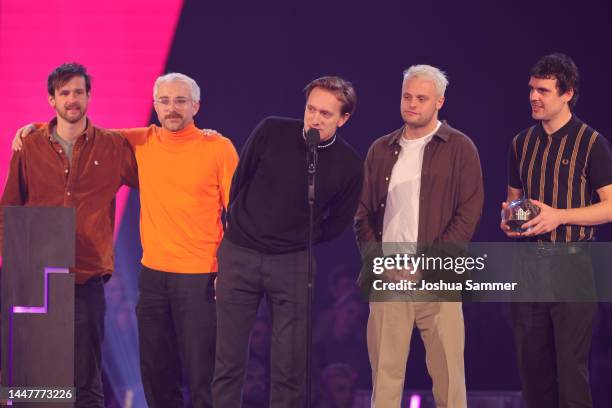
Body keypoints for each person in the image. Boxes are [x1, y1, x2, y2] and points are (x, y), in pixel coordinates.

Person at [13, 72, 239, 408]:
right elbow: (75, 131)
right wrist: (35, 128)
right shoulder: (138, 140)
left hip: (201, 275)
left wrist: (231, 269)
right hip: (153, 276)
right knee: (156, 372)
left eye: (180, 101)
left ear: (196, 106)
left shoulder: (218, 148)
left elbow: (238, 213)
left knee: (202, 372)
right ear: (155, 106)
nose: (172, 108)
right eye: (164, 101)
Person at [212, 76, 363, 407]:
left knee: (289, 365)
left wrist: (298, 239)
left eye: (325, 113)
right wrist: (240, 230)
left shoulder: (349, 164)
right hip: (241, 253)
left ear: (344, 118)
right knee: (228, 359)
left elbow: (339, 220)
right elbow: (239, 182)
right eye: (311, 109)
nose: (315, 118)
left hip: (293, 263)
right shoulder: (271, 131)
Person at [0, 62, 138, 407]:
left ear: (89, 96)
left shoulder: (112, 146)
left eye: (78, 91)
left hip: (85, 276)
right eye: (64, 93)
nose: (72, 99)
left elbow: (155, 169)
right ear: (52, 100)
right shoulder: (29, 146)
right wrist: (13, 268)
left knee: (86, 382)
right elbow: (9, 210)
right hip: (35, 279)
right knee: (34, 385)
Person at [354, 64, 484, 408]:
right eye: (407, 96)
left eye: (421, 98)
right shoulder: (381, 149)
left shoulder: (460, 147)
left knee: (450, 380)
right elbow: (362, 213)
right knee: (385, 379)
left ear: (439, 102)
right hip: (389, 279)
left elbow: (468, 212)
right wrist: (379, 262)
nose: (412, 104)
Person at [502, 53, 612, 408]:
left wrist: (559, 216)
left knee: (570, 369)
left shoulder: (591, 142)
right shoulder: (521, 143)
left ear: (567, 94)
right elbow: (514, 202)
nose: (534, 97)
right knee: (532, 370)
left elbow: (610, 206)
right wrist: (510, 219)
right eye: (532, 89)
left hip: (573, 265)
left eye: (544, 90)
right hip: (529, 266)